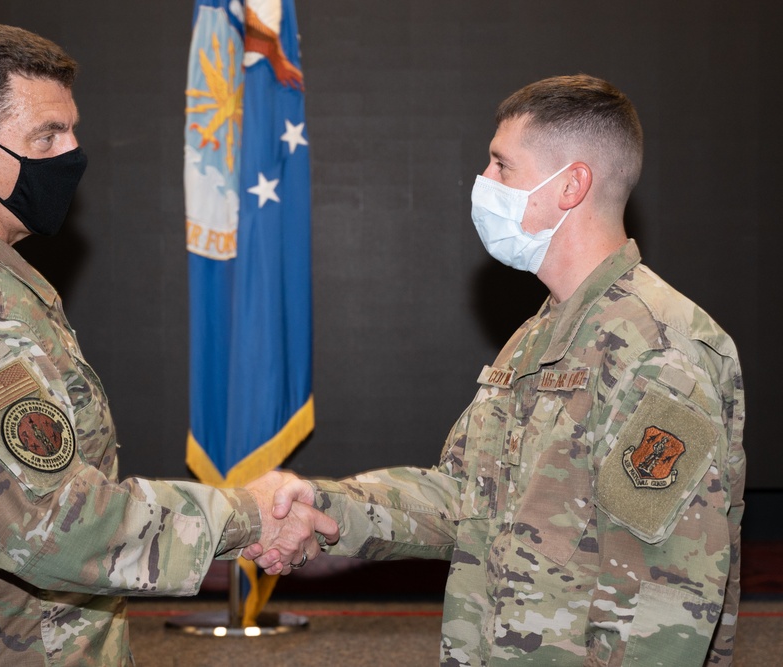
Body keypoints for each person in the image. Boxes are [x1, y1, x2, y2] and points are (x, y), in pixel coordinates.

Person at [0, 22, 335, 667]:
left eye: (71, 130)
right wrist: (249, 514)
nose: (72, 154)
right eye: (47, 135)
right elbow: (52, 528)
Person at [247, 75, 746, 665]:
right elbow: (463, 497)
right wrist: (321, 505)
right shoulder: (537, 337)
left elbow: (662, 598)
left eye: (502, 166)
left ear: (571, 185)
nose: (483, 183)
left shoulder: (660, 350)